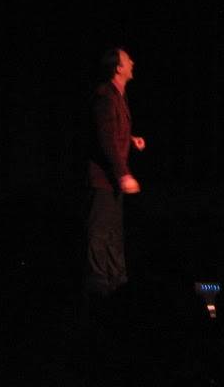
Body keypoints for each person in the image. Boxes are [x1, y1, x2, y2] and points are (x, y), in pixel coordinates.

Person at [85, 47, 145, 297]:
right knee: (100, 234)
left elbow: (111, 129)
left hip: (112, 179)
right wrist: (123, 174)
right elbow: (105, 139)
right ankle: (100, 287)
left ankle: (118, 284)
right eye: (127, 60)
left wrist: (130, 139)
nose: (132, 62)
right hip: (104, 178)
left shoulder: (117, 95)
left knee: (113, 234)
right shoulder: (105, 96)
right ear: (118, 68)